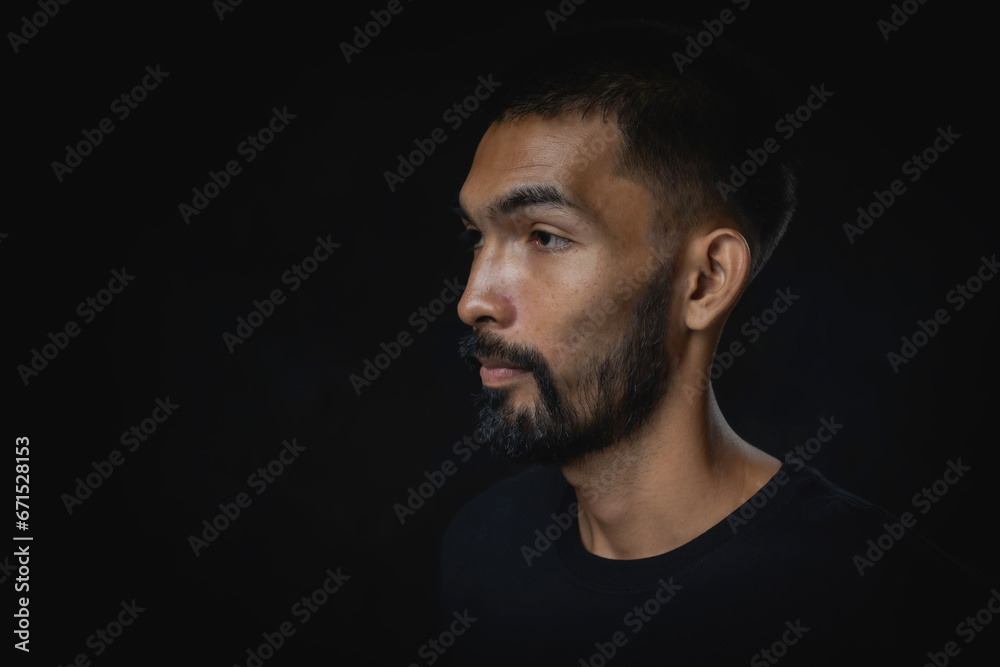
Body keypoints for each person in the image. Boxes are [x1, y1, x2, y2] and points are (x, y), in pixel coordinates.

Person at [435, 19, 995, 666]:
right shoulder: (481, 551)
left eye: (544, 236)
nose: (473, 299)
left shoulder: (892, 605)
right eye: (477, 236)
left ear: (704, 280)